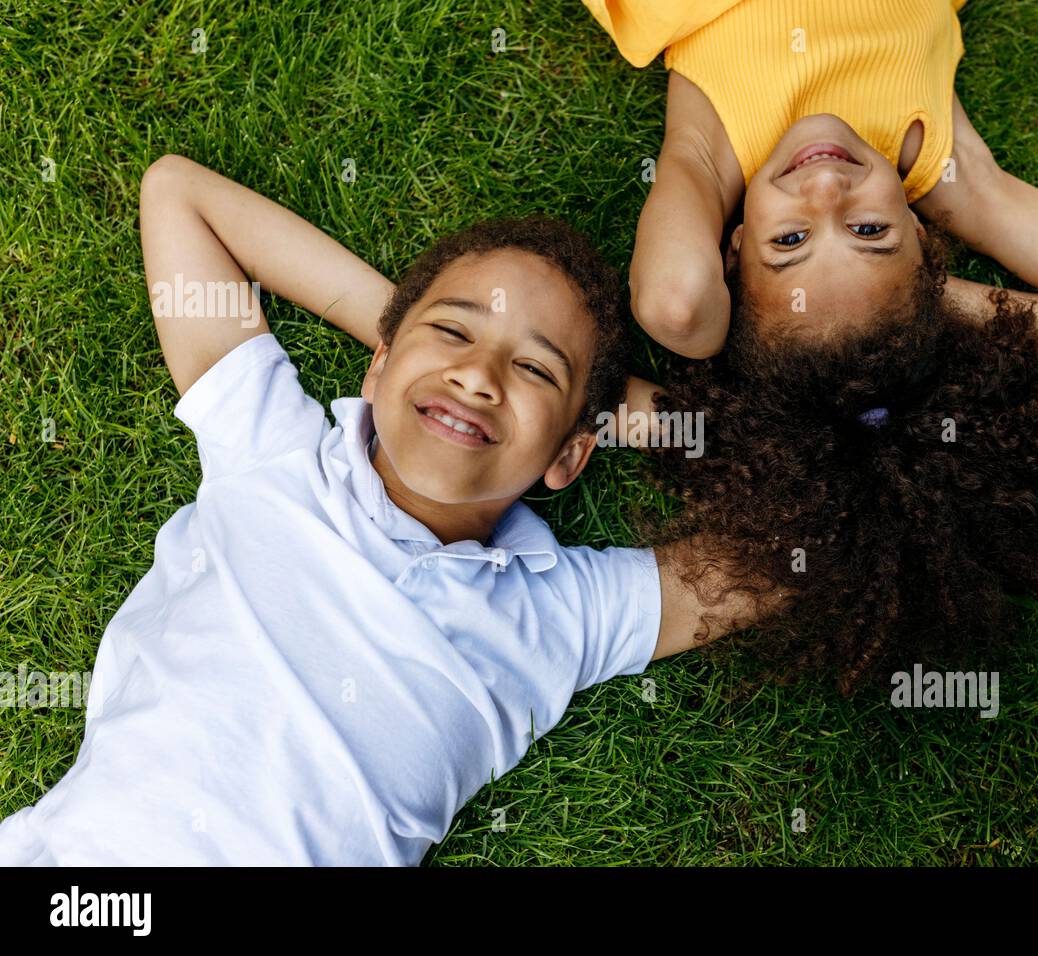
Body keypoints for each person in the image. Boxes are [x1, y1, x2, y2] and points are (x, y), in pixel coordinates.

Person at [0, 154, 767, 866]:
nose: (476, 374)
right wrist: (407, 338)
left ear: (569, 456)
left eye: (534, 367)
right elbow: (178, 193)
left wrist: (633, 419)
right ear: (378, 363)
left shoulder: (561, 615)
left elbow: (797, 550)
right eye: (454, 330)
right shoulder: (274, 448)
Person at [582, 0, 1038, 369]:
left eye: (790, 241)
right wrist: (914, 300)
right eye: (869, 231)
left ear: (734, 247)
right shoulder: (937, 164)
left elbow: (677, 305)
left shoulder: (711, 156)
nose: (824, 189)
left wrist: (893, 293)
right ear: (921, 236)